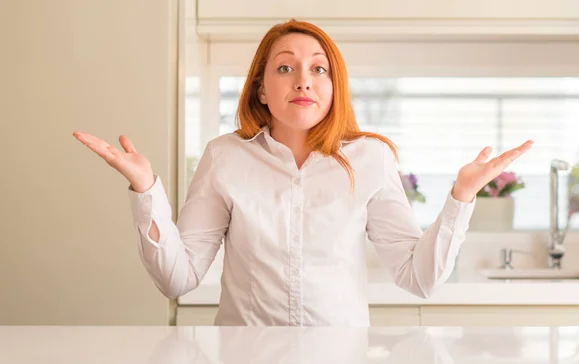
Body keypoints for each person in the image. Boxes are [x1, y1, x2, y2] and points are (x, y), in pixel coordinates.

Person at [73, 19, 533, 326]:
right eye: (285, 67)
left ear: (334, 88)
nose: (303, 80)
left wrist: (462, 197)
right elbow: (179, 277)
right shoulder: (224, 158)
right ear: (262, 90)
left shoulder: (370, 159)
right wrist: (146, 188)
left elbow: (419, 278)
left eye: (319, 69)